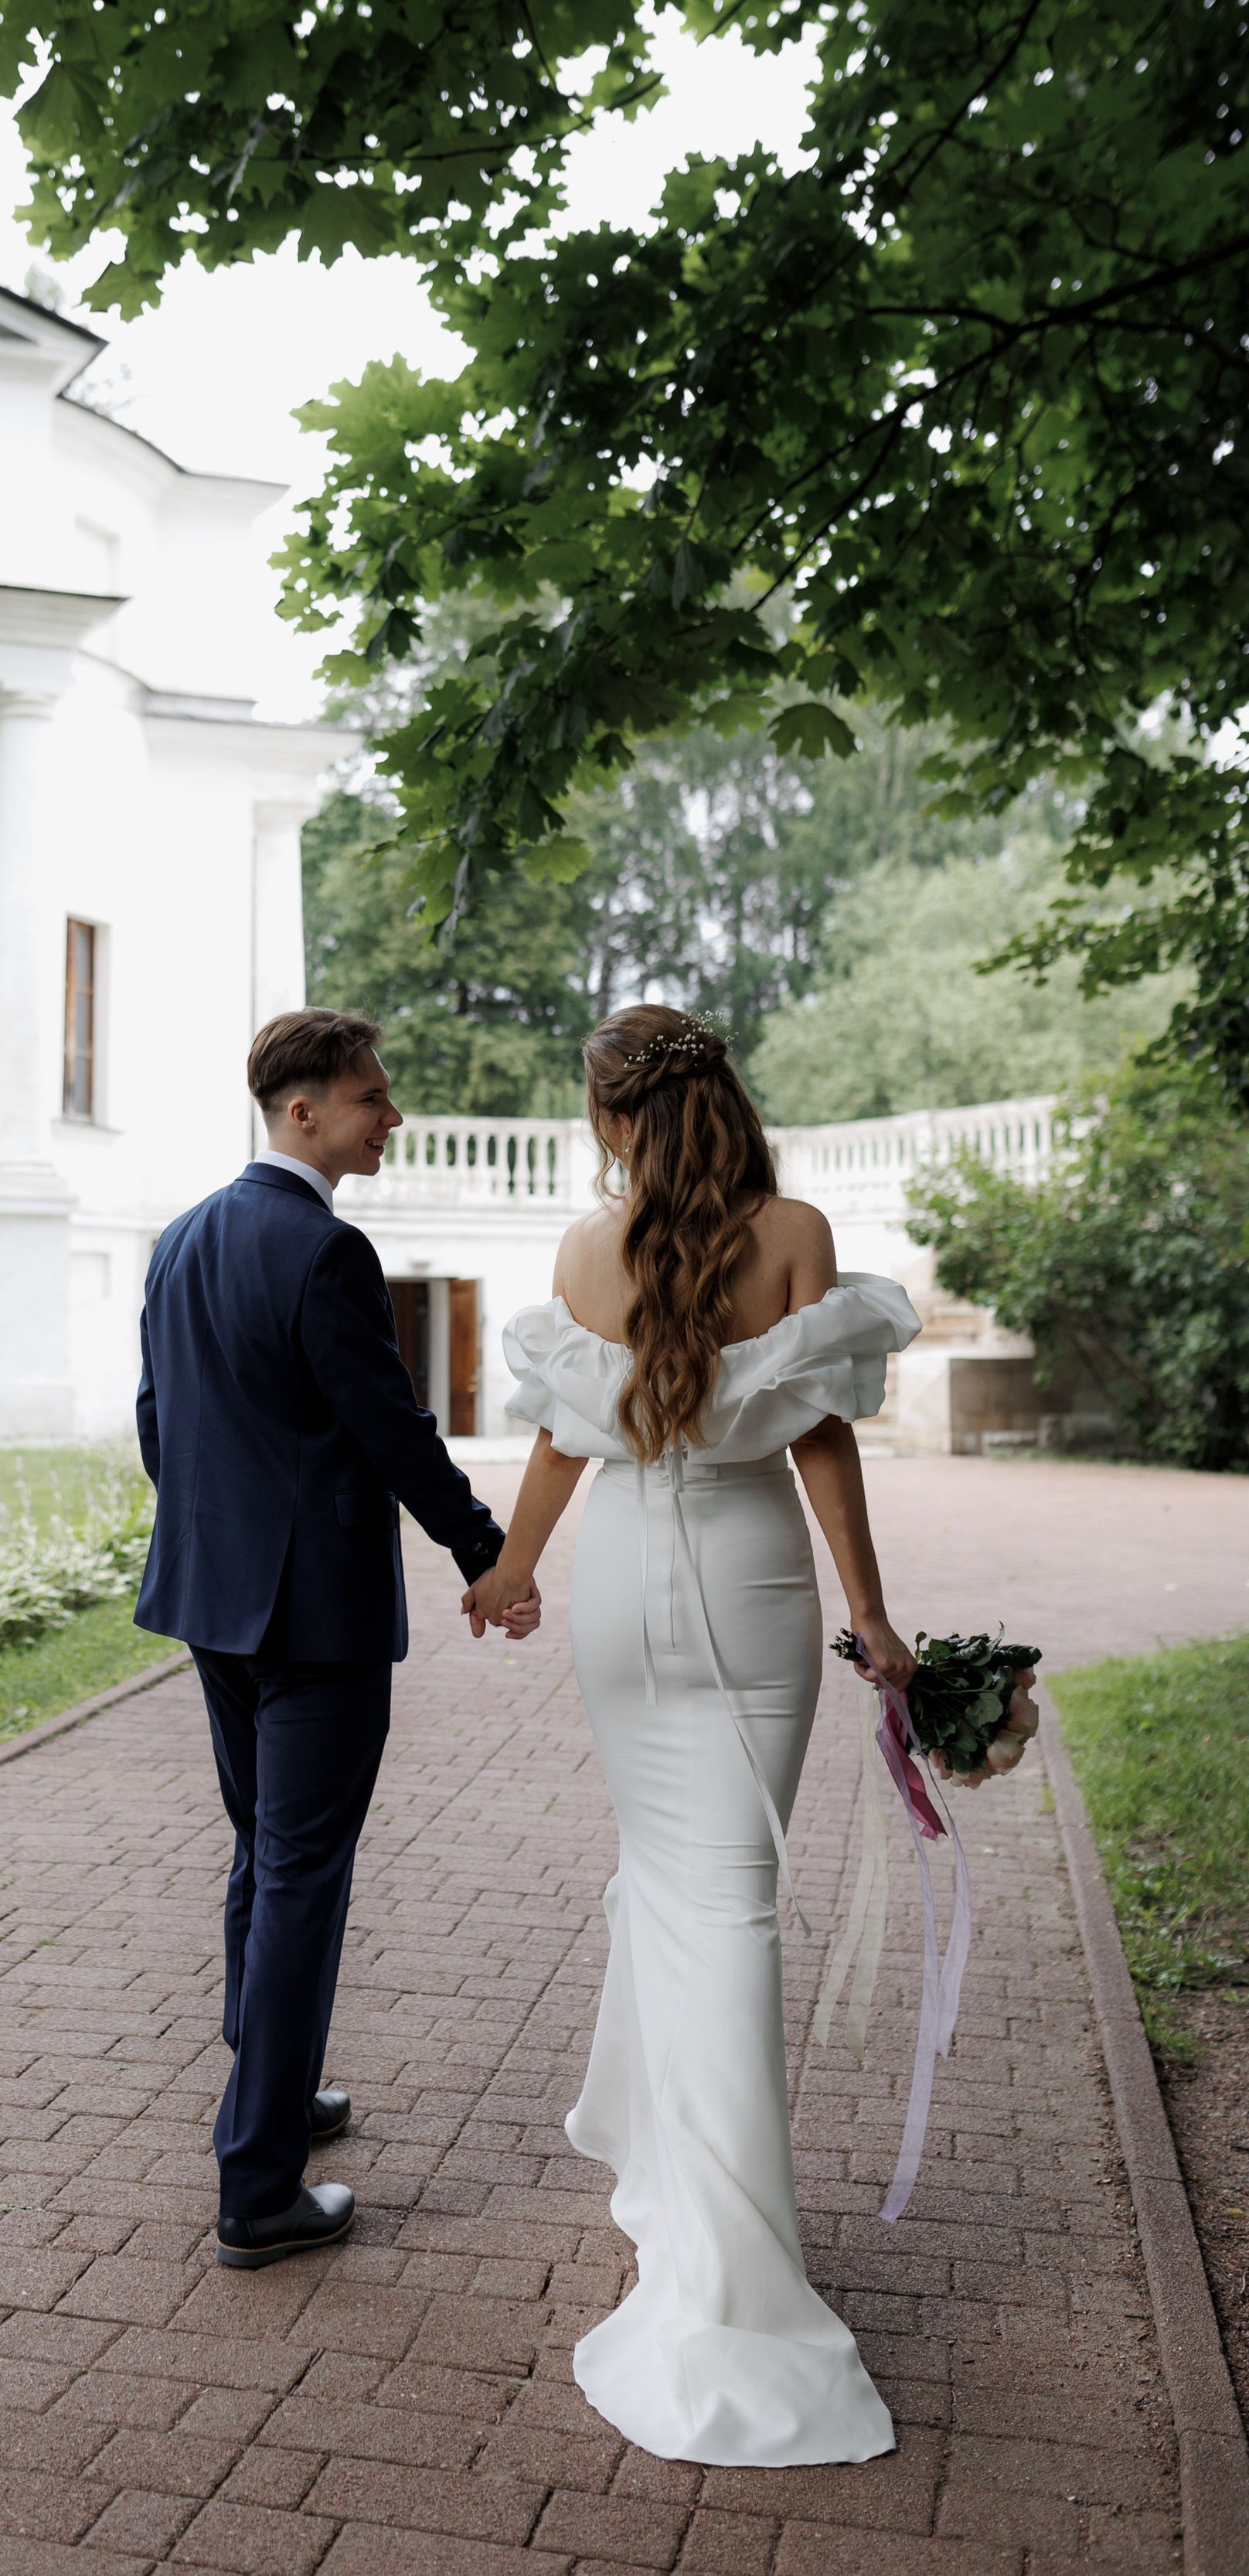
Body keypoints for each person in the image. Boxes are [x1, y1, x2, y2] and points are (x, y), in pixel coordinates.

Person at [475, 1003, 919, 2466]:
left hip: (623, 1593)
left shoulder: (580, 1253)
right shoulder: (792, 1229)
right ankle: (731, 2276)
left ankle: (688, 2195)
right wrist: (874, 1617)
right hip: (749, 1589)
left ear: (614, 1119)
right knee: (730, 1911)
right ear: (721, 1096)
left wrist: (516, 1569)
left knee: (672, 1890)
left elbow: (558, 1433)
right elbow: (820, 1438)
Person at [136, 1007, 519, 2271]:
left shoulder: (180, 1239)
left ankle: (278, 2092)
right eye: (371, 1097)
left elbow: (160, 1424)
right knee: (303, 1876)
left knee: (266, 1855)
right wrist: (486, 1552)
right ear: (303, 1113)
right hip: (314, 1619)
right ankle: (259, 2192)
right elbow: (393, 1428)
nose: (390, 1115)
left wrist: (217, 1540)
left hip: (212, 1601)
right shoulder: (324, 1251)